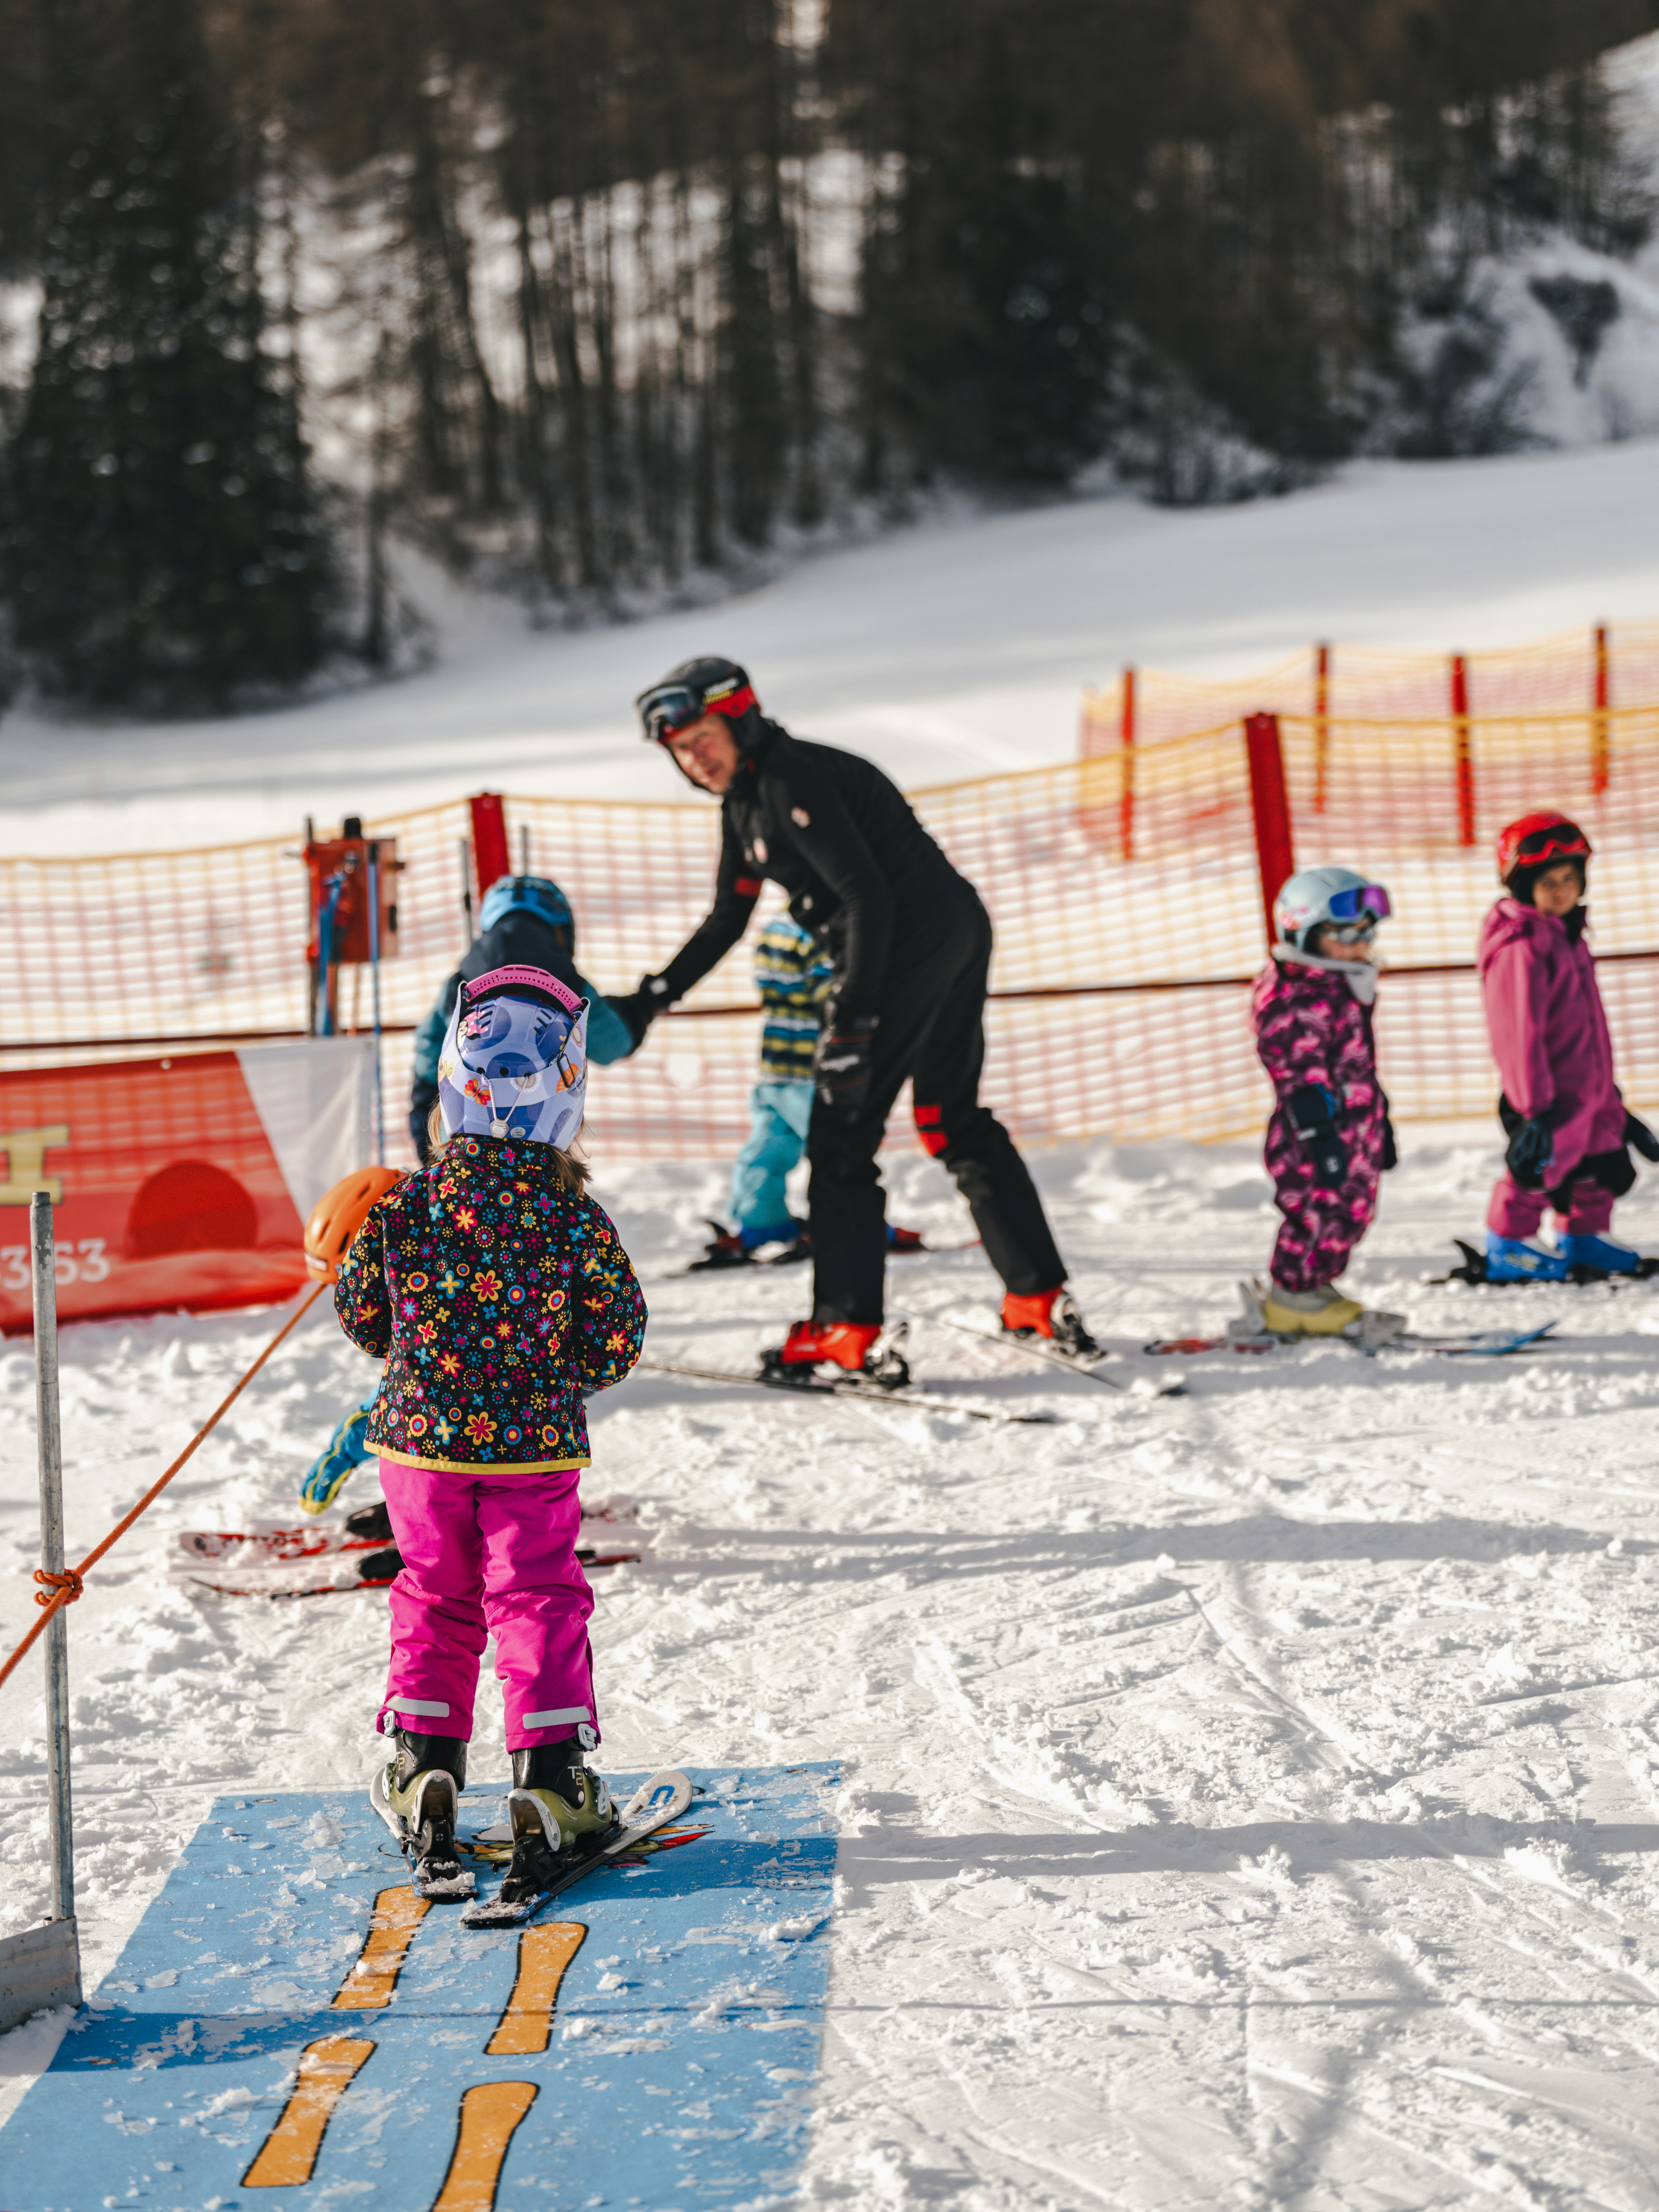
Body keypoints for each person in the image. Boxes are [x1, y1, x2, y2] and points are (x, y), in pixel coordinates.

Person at [611, 656, 1093, 1384]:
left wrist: (853, 1023)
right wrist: (651, 996)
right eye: (681, 749)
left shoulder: (789, 778)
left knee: (839, 1137)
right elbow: (725, 920)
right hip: (950, 930)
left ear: (738, 718)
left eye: (703, 737)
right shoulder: (744, 807)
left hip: (909, 942)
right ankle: (1035, 1294)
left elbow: (866, 897)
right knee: (947, 1118)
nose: (694, 757)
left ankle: (845, 1329)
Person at [335, 960, 647, 1903]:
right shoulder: (572, 1220)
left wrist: (418, 1361)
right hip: (532, 1451)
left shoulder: (405, 1208)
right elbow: (619, 1336)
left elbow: (363, 1316)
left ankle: (425, 1763)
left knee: (434, 1590)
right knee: (537, 1597)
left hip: (420, 1450)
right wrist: (559, 1378)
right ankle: (551, 1782)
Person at [1471, 813, 1659, 1282]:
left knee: (1600, 1161)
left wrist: (1609, 1097)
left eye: (1570, 879)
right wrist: (1534, 1109)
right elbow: (1519, 1034)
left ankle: (1583, 1237)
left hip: (1587, 1086)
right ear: (1522, 885)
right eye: (1548, 882)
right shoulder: (1521, 946)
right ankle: (1508, 1244)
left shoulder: (1567, 936)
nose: (1560, 890)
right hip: (1549, 1094)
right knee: (1539, 1167)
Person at [692, 912, 927, 1270]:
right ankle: (854, 1223)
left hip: (776, 1066)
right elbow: (828, 995)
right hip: (811, 1068)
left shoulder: (776, 930)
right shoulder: (818, 933)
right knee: (836, 1148)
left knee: (769, 1146)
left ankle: (760, 1221)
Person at [1249, 866, 1403, 1341]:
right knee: (1316, 1209)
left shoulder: (1339, 983)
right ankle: (1291, 1298)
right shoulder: (1299, 995)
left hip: (1352, 1126)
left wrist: (1381, 1119)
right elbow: (1299, 1075)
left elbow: (1356, 1065)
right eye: (1346, 933)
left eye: (1367, 931)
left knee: (1352, 1210)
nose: (1362, 941)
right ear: (1305, 931)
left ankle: (1315, 1286)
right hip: (1313, 1135)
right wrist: (1321, 1138)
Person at [408, 873, 634, 1164]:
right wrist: (635, 1016)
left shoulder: (462, 983)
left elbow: (429, 1048)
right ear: (562, 929)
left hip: (463, 1136)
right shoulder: (568, 984)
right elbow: (612, 1045)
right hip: (541, 1134)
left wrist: (423, 1112)